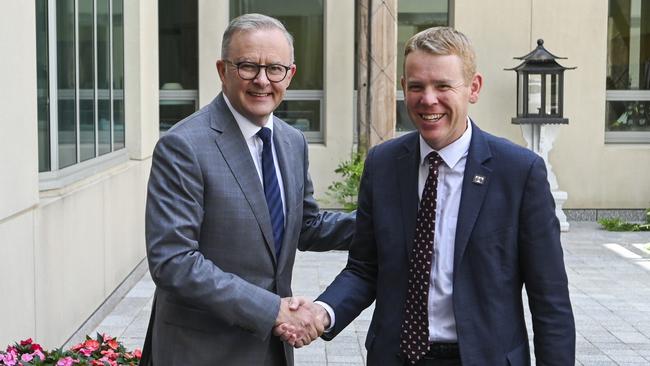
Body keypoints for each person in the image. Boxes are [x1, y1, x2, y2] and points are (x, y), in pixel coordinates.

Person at [284, 27, 576, 365]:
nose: (428, 99)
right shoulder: (383, 165)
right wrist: (322, 312)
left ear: (473, 88)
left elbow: (549, 299)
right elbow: (365, 268)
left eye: (443, 86)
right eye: (416, 86)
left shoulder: (519, 172)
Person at [141, 13, 354, 366]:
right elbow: (174, 261)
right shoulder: (183, 145)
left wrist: (389, 217)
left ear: (291, 74)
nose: (262, 80)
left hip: (272, 352)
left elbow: (307, 226)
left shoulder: (291, 141)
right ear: (222, 70)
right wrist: (274, 310)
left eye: (275, 69)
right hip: (201, 351)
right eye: (247, 66)